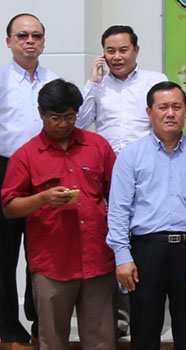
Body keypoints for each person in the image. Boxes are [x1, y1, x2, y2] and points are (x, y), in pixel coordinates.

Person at [1, 79, 116, 350]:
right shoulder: (25, 155)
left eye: (70, 116)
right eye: (56, 118)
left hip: (96, 260)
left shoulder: (98, 146)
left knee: (102, 342)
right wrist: (42, 199)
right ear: (41, 113)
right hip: (52, 264)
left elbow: (119, 197)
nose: (64, 124)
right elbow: (9, 207)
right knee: (52, 342)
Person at [106, 81, 186, 349]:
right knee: (145, 330)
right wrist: (122, 256)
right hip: (146, 251)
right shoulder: (131, 155)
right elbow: (118, 211)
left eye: (176, 107)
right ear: (149, 112)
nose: (170, 113)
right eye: (163, 107)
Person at [0, 13, 57, 347]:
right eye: (22, 36)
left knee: (41, 252)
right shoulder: (1, 80)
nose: (30, 41)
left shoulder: (54, 80)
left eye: (36, 35)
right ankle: (8, 327)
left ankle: (40, 322)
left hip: (45, 171)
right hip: (5, 169)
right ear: (9, 42)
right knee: (5, 254)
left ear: (44, 41)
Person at [77, 25, 169, 153]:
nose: (116, 57)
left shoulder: (155, 81)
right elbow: (79, 123)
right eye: (110, 51)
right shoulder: (98, 85)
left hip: (146, 157)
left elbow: (167, 123)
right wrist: (92, 83)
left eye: (123, 50)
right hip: (108, 161)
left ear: (136, 50)